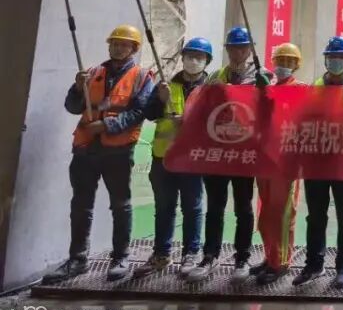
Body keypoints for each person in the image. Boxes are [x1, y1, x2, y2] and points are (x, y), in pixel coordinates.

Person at [42, 25, 155, 284]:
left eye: (124, 44)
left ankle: (120, 258)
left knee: (120, 204)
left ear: (134, 49)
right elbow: (73, 107)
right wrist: (76, 87)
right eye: (115, 43)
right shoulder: (92, 73)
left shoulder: (141, 77)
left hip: (118, 150)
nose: (118, 48)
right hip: (85, 149)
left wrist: (107, 125)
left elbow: (140, 111)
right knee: (81, 205)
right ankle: (77, 259)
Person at [187, 26, 271, 284]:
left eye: (242, 48)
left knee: (243, 208)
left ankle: (242, 258)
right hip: (217, 152)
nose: (237, 53)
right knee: (215, 207)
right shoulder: (215, 77)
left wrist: (267, 92)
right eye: (233, 48)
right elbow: (201, 109)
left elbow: (273, 111)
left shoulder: (262, 76)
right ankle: (210, 255)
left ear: (250, 49)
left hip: (244, 153)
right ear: (227, 50)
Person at [135, 37, 212, 279]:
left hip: (193, 159)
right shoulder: (166, 85)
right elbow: (149, 114)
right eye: (190, 56)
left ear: (207, 61)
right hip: (164, 157)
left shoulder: (211, 89)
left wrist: (189, 121)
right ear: (183, 58)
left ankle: (190, 254)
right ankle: (161, 254)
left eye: (199, 57)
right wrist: (160, 99)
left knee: (192, 208)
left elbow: (218, 120)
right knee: (164, 207)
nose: (193, 61)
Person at [294, 36, 343, 289]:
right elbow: (302, 121)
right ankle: (314, 264)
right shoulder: (315, 88)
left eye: (341, 57)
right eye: (332, 57)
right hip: (317, 161)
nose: (336, 61)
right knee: (315, 216)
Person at [251, 42, 304, 286]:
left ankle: (281, 262)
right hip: (265, 160)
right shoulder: (267, 87)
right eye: (280, 61)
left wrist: (269, 94)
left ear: (296, 65)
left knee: (282, 214)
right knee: (266, 213)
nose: (284, 65)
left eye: (289, 61)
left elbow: (291, 115)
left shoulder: (300, 90)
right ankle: (270, 256)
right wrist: (260, 93)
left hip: (286, 163)